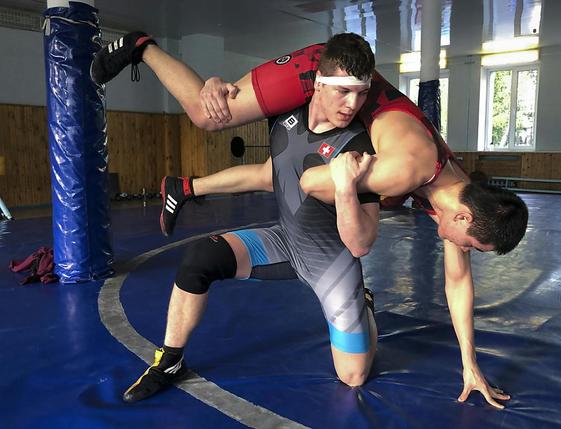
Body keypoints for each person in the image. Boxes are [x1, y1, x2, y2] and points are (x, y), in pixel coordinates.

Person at [92, 32, 528, 408]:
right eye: (469, 244)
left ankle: (361, 304)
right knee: (210, 114)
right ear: (463, 216)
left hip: (327, 229)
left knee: (353, 375)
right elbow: (311, 181)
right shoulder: (408, 168)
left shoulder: (460, 192)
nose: (461, 249)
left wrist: (470, 365)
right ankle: (141, 46)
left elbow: (458, 283)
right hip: (333, 68)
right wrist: (342, 174)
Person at [120, 33, 381, 403]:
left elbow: (361, 243)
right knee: (199, 259)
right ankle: (170, 362)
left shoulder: (359, 145)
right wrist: (214, 85)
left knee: (353, 376)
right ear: (319, 84)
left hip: (332, 262)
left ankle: (364, 306)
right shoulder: (283, 112)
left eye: (361, 93)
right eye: (344, 91)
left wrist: (344, 187)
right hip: (285, 241)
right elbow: (225, 111)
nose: (352, 104)